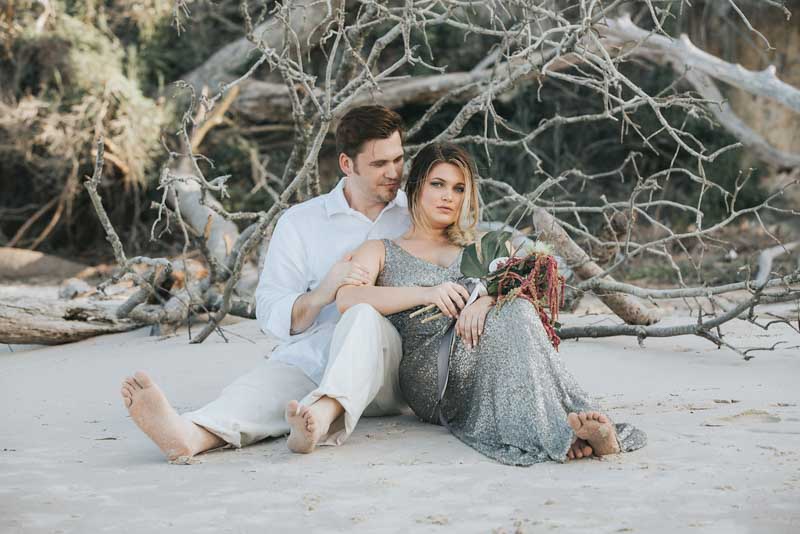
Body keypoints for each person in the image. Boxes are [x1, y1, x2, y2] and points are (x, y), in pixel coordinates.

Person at [120, 105, 416, 460]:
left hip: (391, 371)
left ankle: (322, 417)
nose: (394, 173)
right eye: (380, 164)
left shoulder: (416, 213)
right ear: (346, 164)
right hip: (315, 361)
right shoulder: (302, 222)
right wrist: (322, 293)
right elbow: (271, 310)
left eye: (398, 159)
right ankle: (190, 435)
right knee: (260, 391)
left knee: (362, 315)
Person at [335, 142, 647, 465]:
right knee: (512, 320)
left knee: (518, 310)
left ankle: (584, 426)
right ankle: (560, 432)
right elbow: (347, 298)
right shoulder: (381, 249)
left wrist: (487, 299)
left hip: (489, 359)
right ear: (415, 187)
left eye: (458, 189)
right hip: (433, 377)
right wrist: (427, 293)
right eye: (438, 184)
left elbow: (528, 290)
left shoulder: (484, 244)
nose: (448, 197)